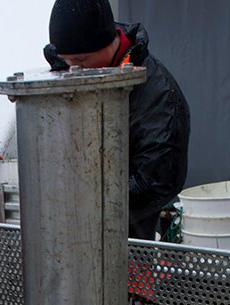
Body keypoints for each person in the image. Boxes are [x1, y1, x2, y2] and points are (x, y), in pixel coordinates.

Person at [45, 0, 191, 241]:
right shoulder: (66, 65)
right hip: (68, 228)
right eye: (67, 61)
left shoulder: (159, 94)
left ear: (107, 42)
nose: (74, 70)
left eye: (81, 60)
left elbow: (158, 181)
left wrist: (90, 205)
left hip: (128, 238)